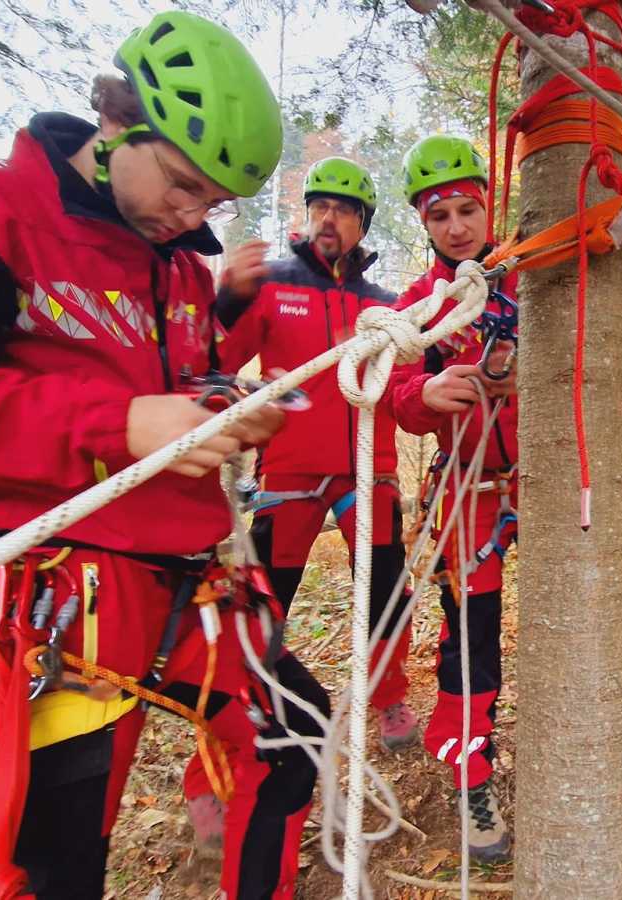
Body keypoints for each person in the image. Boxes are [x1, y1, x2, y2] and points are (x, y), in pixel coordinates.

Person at [0, 12, 331, 898]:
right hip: (44, 598)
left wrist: (218, 408)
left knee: (291, 733)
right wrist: (114, 423)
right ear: (116, 120)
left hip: (182, 582)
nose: (193, 216)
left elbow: (166, 391)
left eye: (213, 204)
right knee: (47, 863)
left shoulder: (179, 270)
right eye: (183, 185)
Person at [212, 156, 420, 757]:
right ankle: (257, 693)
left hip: (368, 470)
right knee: (265, 592)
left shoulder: (381, 304)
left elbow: (409, 373)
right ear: (305, 217)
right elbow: (215, 361)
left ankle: (390, 696)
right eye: (319, 208)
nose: (330, 220)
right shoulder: (272, 285)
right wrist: (227, 300)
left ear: (362, 224)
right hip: (290, 471)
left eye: (344, 211)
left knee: (386, 588)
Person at [390, 134, 518, 862]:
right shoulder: (422, 302)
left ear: (489, 204)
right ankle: (470, 771)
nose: (457, 227)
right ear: (425, 224)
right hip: (469, 487)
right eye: (440, 217)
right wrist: (429, 394)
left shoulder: (528, 271)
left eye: (468, 209)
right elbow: (397, 395)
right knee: (472, 638)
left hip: (547, 478)